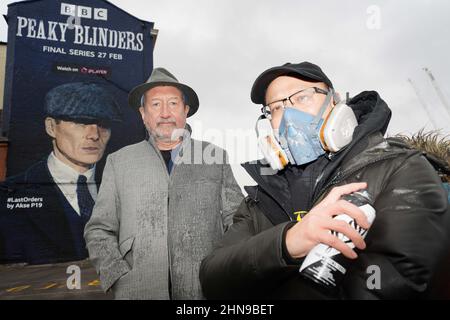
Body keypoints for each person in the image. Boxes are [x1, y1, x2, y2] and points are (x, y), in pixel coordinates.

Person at [199, 61, 450, 299]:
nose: (288, 115)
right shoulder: (259, 199)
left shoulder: (399, 167)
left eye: (302, 97)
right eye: (275, 108)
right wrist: (286, 243)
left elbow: (392, 285)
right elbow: (213, 278)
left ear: (336, 103)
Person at [84, 67, 243, 300]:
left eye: (173, 104)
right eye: (156, 104)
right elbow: (98, 229)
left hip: (204, 291)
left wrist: (225, 271)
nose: (165, 113)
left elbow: (238, 221)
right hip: (138, 291)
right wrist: (119, 276)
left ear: (185, 111)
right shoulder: (119, 162)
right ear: (143, 113)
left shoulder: (214, 157)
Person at [0, 82, 122, 264]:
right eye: (81, 122)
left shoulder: (123, 187)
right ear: (51, 127)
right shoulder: (8, 194)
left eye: (103, 125)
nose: (94, 135)